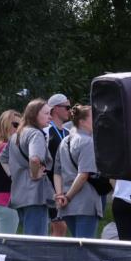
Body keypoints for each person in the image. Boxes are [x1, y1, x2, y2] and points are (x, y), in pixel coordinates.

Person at [2, 98, 55, 236]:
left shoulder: (17, 134)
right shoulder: (35, 134)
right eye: (46, 113)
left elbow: (3, 157)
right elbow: (34, 158)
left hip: (20, 194)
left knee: (28, 238)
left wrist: (14, 175)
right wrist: (34, 173)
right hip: (34, 195)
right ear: (34, 114)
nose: (50, 116)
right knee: (36, 242)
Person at [54, 105, 102, 238]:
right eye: (93, 117)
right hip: (84, 203)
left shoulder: (64, 141)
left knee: (77, 245)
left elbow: (57, 172)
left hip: (67, 206)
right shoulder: (88, 142)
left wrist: (60, 195)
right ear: (82, 122)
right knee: (85, 248)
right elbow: (83, 174)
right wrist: (67, 197)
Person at [45, 93, 73, 237]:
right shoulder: (46, 132)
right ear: (56, 109)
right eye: (67, 107)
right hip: (50, 188)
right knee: (59, 226)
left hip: (66, 186)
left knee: (61, 227)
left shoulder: (68, 132)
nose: (70, 110)